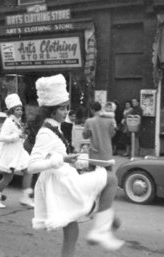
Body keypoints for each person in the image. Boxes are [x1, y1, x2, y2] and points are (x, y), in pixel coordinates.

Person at [28, 74, 124, 257]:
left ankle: (101, 220)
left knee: (71, 232)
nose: (66, 112)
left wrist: (79, 159)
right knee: (111, 179)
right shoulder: (46, 133)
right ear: (52, 110)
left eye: (66, 108)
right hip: (61, 183)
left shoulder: (54, 127)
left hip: (63, 178)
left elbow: (61, 155)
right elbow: (31, 165)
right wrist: (60, 161)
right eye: (62, 109)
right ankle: (102, 228)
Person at [0, 93, 34, 209]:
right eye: (17, 110)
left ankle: (26, 197)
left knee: (28, 171)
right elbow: (2, 137)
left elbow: (18, 136)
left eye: (21, 109)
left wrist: (22, 135)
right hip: (10, 153)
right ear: (12, 110)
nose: (20, 112)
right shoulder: (9, 122)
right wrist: (17, 136)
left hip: (19, 151)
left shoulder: (17, 121)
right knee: (8, 177)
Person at [82, 102, 116, 170]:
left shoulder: (89, 121)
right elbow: (112, 134)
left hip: (94, 153)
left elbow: (85, 136)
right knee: (107, 175)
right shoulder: (110, 120)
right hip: (107, 152)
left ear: (92, 110)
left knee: (93, 175)